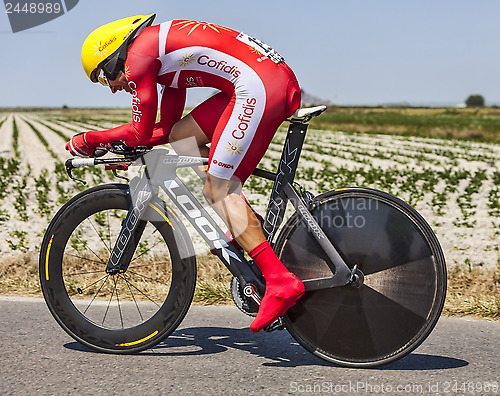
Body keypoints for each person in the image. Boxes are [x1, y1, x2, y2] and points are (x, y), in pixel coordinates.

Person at [67, 14, 304, 332]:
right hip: (263, 79)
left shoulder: (138, 58)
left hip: (258, 86)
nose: (110, 89)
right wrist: (122, 147)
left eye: (102, 78)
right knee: (183, 135)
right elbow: (164, 130)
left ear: (112, 59)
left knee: (218, 190)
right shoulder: (160, 62)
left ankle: (280, 281)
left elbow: (139, 133)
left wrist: (88, 140)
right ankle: (247, 224)